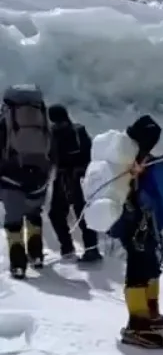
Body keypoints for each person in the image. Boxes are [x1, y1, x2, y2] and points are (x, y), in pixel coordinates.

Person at [109, 114, 163, 348]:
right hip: (139, 226)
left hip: (141, 225)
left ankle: (148, 315)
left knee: (148, 267)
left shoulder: (151, 167)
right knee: (140, 269)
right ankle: (138, 323)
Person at [0, 84, 53, 278]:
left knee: (13, 221)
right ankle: (36, 255)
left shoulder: (4, 122)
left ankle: (18, 265)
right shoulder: (43, 123)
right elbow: (52, 151)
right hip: (39, 177)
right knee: (33, 214)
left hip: (10, 178)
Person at [47, 104, 102, 263]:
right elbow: (92, 153)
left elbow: (50, 157)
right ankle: (92, 250)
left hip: (64, 179)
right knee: (83, 213)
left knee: (56, 214)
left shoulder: (53, 134)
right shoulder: (80, 130)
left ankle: (67, 248)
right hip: (82, 178)